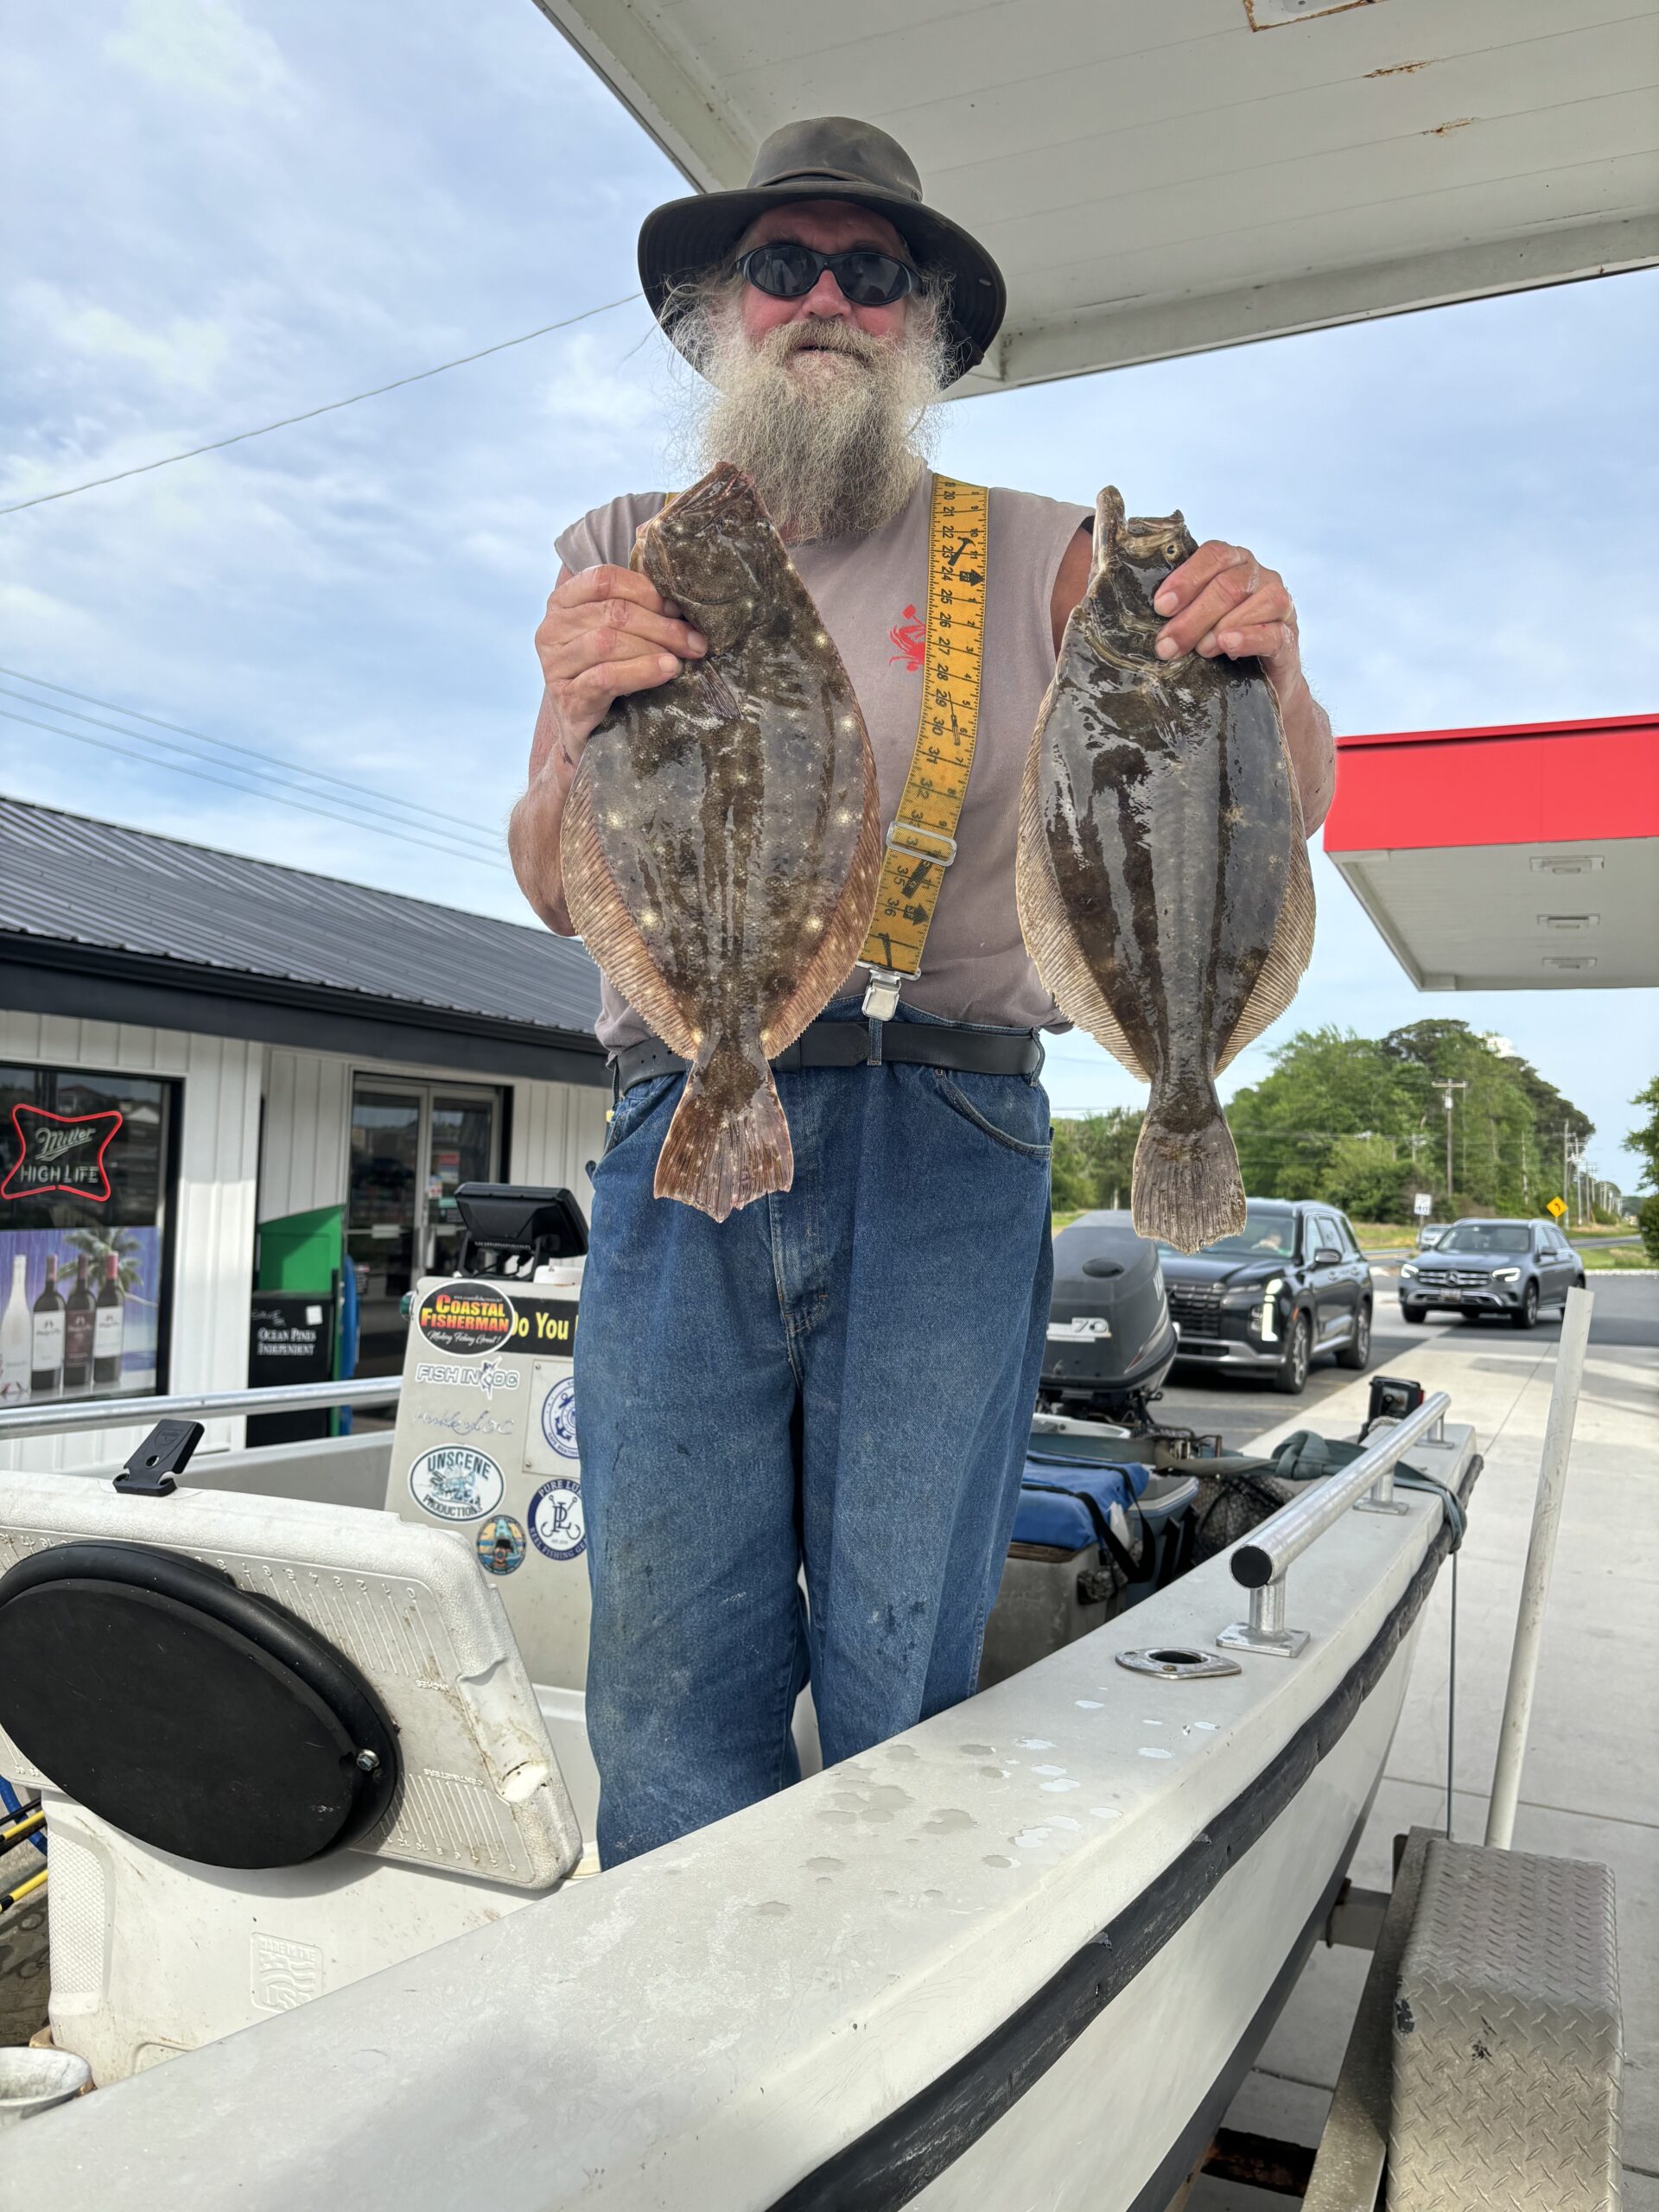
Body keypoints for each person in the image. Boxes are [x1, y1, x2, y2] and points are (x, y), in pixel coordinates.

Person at [510, 118, 1334, 1866]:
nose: (826, 299)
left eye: (872, 273)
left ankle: (881, 1975)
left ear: (925, 326)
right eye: (783, 266)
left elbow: (1261, 800)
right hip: (681, 1107)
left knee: (907, 1651)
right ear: (719, 314)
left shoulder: (1045, 551)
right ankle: (697, 1993)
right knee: (669, 1662)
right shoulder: (620, 544)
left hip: (952, 1120)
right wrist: (574, 721)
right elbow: (549, 876)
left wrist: (1271, 662)